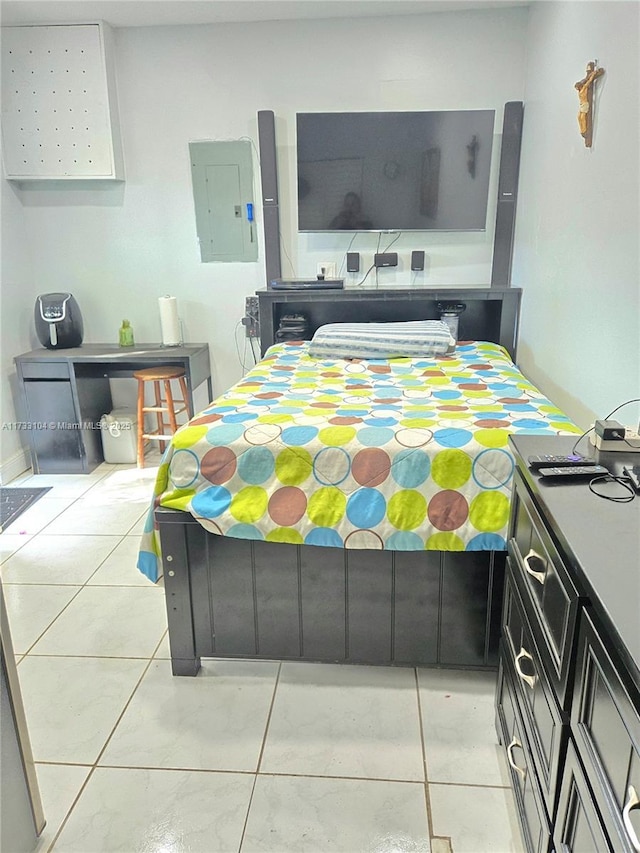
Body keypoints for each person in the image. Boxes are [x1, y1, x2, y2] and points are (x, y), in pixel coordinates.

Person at [574, 62, 605, 137]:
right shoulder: (580, 90)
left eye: (577, 87)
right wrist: (589, 75)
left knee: (582, 117)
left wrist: (594, 74)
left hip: (585, 104)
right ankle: (582, 131)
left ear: (579, 86)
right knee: (578, 117)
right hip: (581, 104)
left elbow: (589, 81)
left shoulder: (584, 88)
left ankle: (584, 131)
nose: (576, 89)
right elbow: (586, 79)